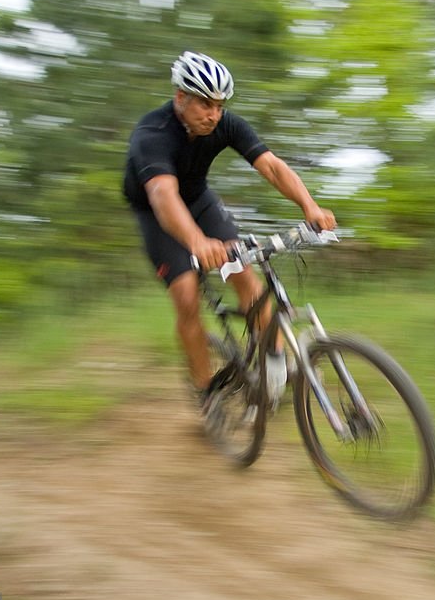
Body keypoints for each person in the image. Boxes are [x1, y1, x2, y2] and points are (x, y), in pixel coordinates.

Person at [123, 50, 336, 407]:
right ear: (180, 97)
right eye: (205, 104)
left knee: (246, 277)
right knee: (187, 297)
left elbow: (271, 167)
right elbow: (162, 195)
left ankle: (275, 365)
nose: (214, 114)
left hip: (200, 202)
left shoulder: (225, 124)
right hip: (158, 214)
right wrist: (196, 241)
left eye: (219, 105)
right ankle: (206, 391)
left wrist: (309, 206)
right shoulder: (152, 133)